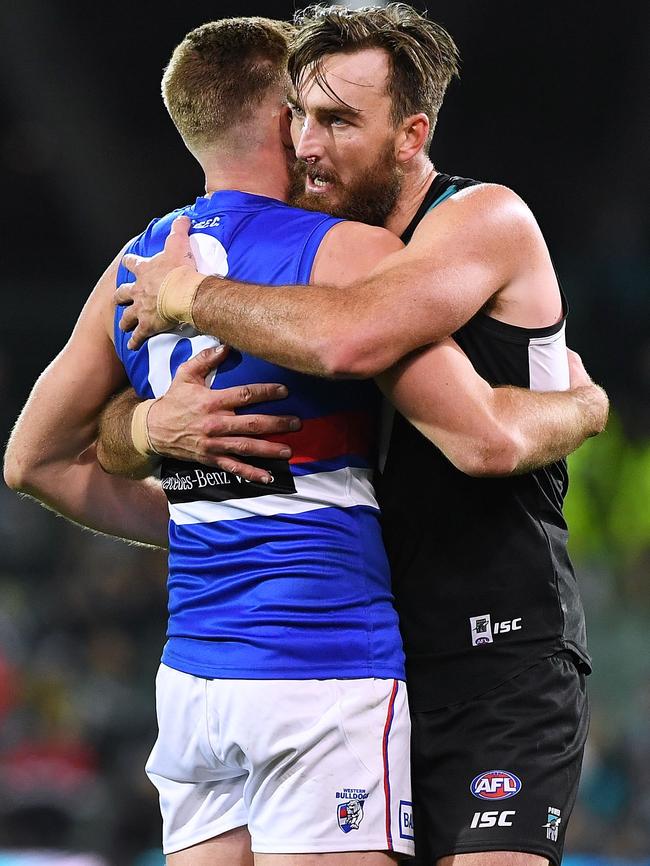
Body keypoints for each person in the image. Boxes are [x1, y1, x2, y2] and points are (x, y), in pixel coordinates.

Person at [112, 6, 608, 866]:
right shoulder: (322, 250)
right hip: (373, 658)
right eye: (301, 115)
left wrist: (587, 410)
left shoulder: (481, 218)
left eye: (339, 120)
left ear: (412, 133)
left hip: (501, 653)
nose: (308, 143)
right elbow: (57, 448)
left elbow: (372, 352)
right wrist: (149, 423)